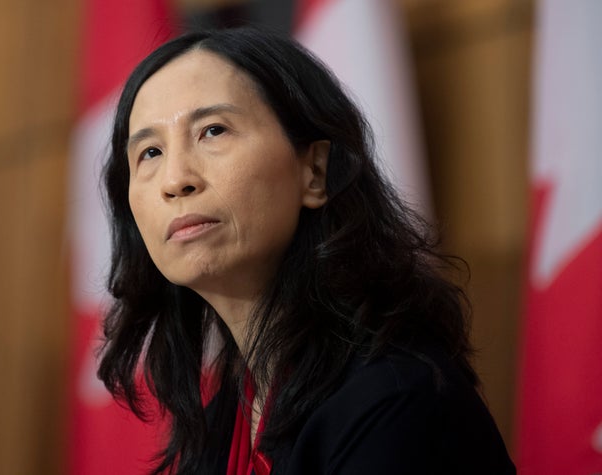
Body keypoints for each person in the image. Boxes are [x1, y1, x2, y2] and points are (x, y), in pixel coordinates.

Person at [99, 26, 516, 475]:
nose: (175, 179)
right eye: (149, 152)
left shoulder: (393, 398)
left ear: (315, 171)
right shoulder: (225, 415)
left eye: (213, 131)